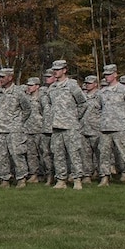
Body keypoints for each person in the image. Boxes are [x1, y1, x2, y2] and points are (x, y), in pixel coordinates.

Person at [41, 61, 86, 189]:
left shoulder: (72, 85)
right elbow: (49, 105)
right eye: (54, 69)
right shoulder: (52, 88)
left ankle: (77, 179)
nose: (55, 71)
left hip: (70, 126)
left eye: (58, 69)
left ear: (64, 70)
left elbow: (83, 103)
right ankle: (61, 180)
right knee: (57, 154)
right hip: (56, 126)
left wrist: (75, 117)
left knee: (74, 153)